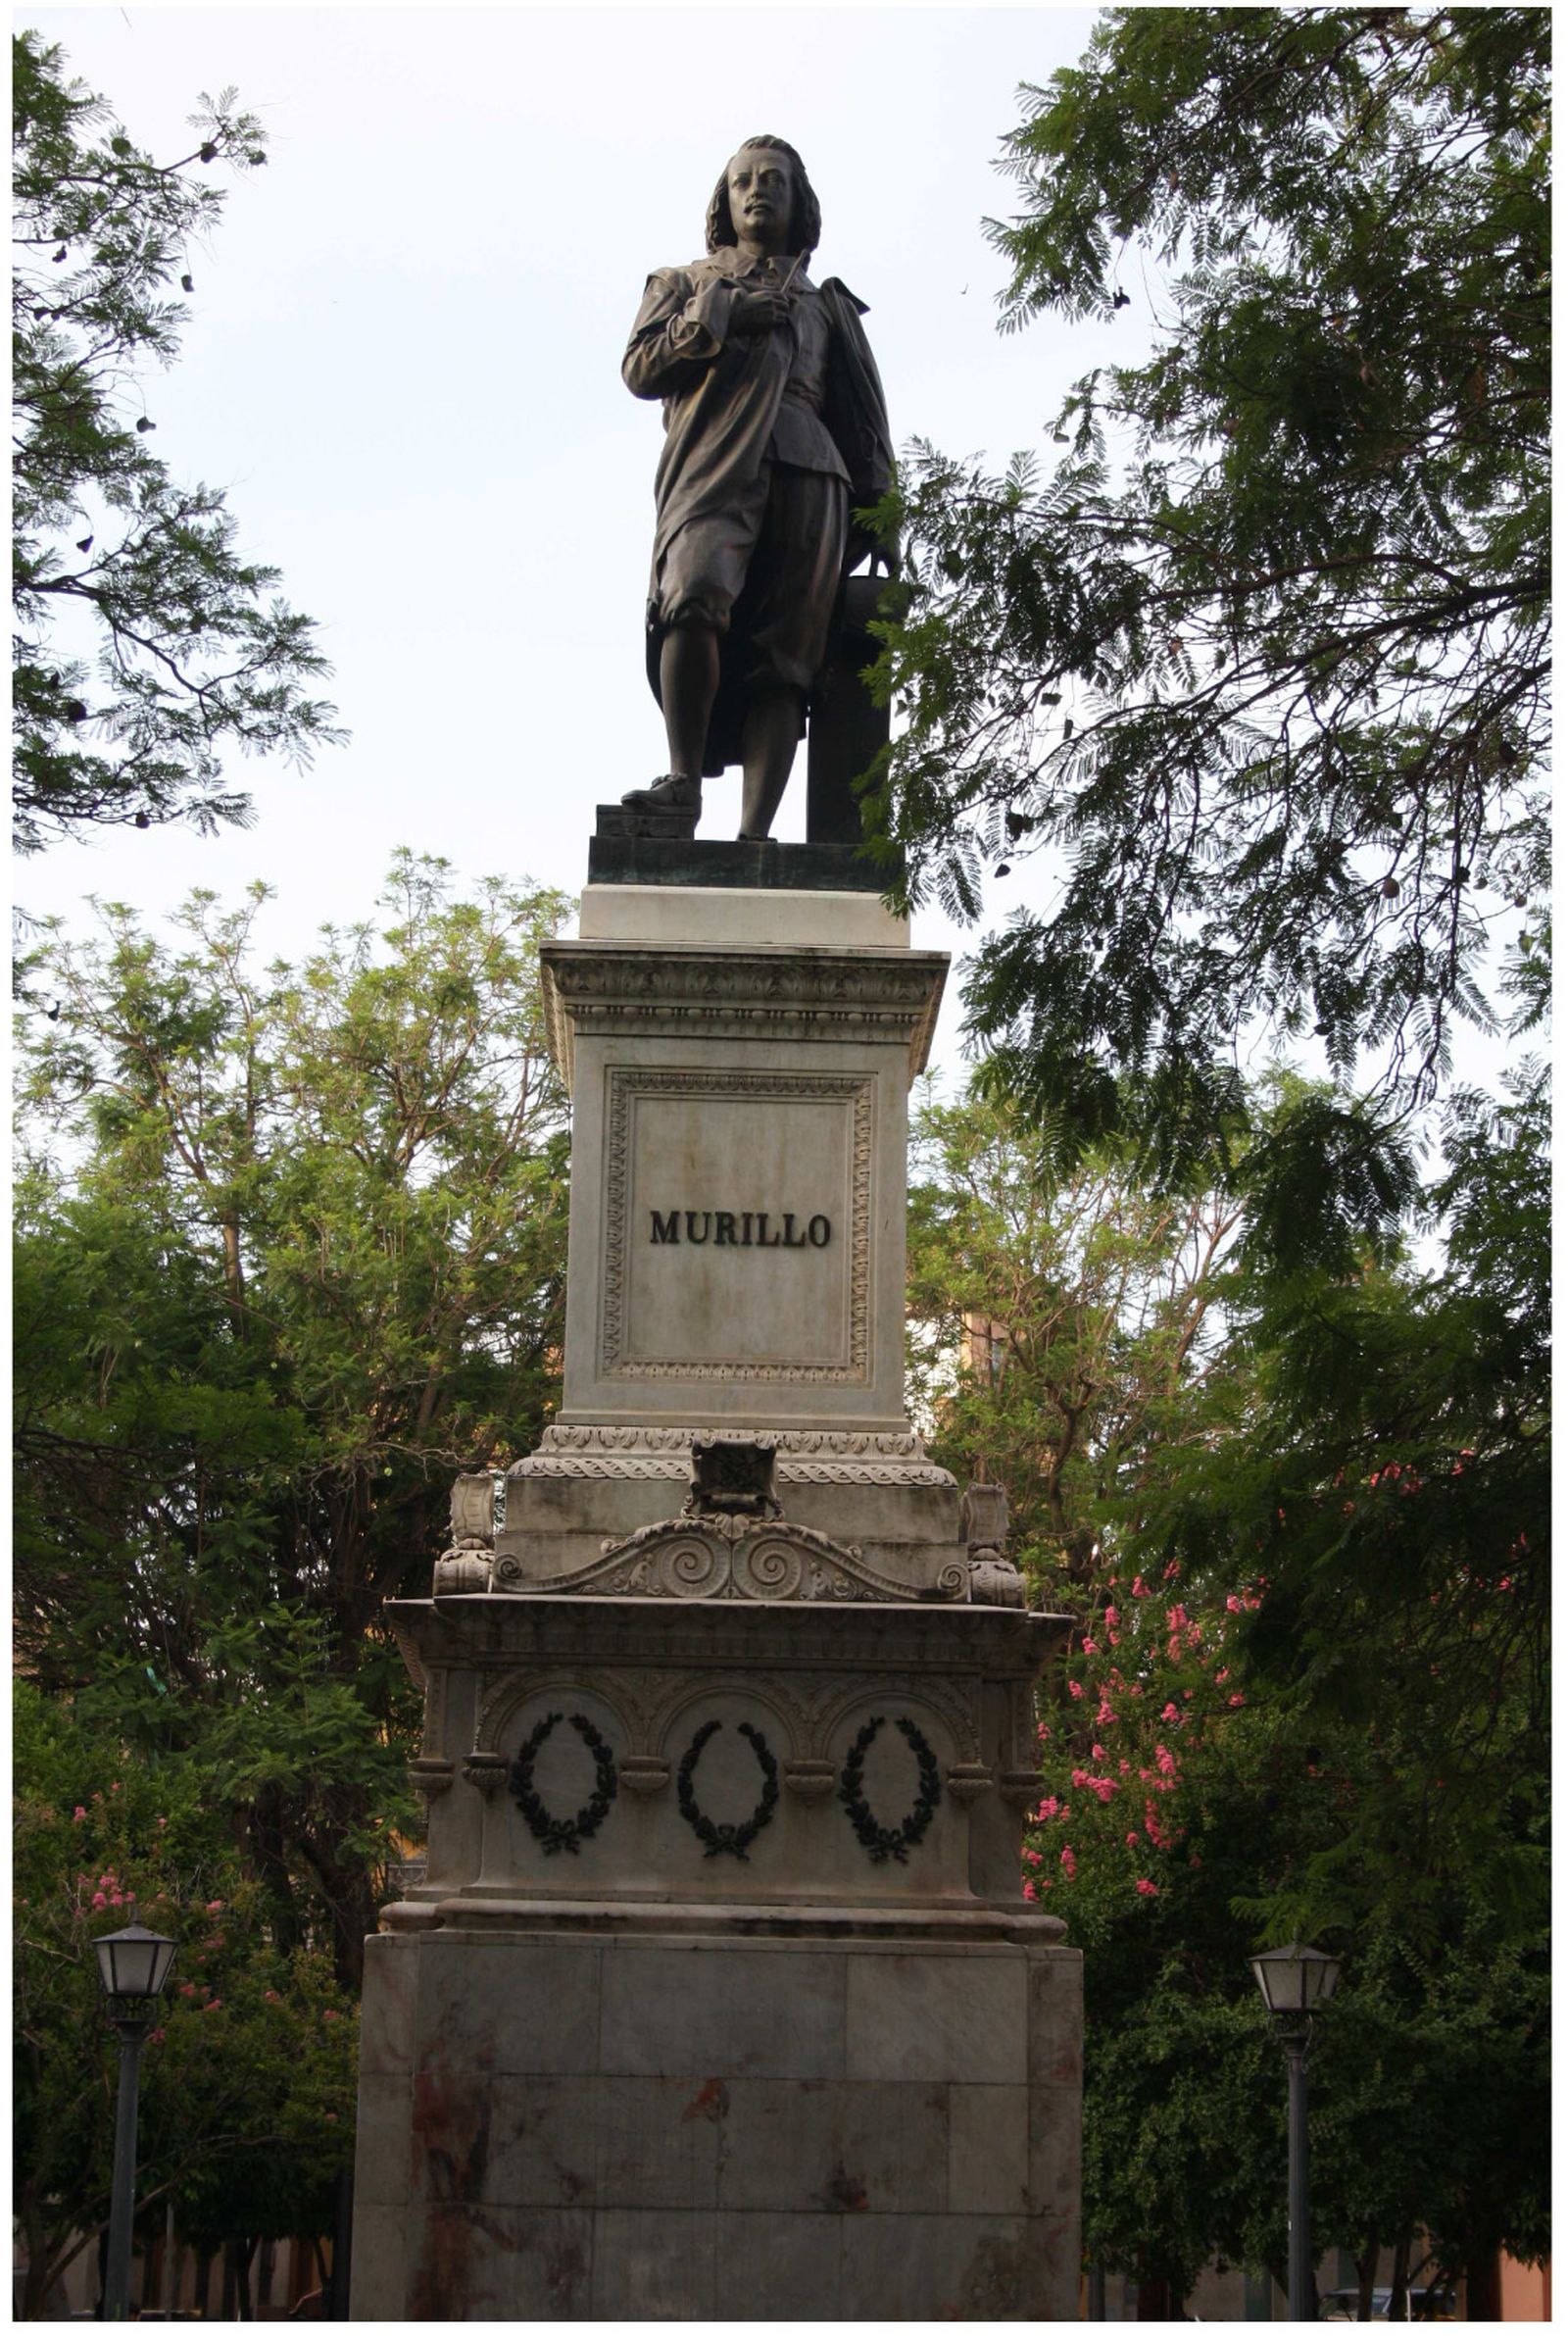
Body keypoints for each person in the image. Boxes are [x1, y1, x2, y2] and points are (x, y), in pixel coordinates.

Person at [619, 135, 896, 839]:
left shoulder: (826, 305)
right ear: (725, 200)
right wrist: (720, 317)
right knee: (690, 593)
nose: (757, 191)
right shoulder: (685, 283)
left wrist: (883, 511)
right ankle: (683, 782)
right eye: (743, 180)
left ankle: (755, 838)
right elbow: (640, 369)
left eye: (774, 180)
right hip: (712, 459)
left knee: (788, 657)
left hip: (811, 470)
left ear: (800, 201)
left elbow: (863, 415)